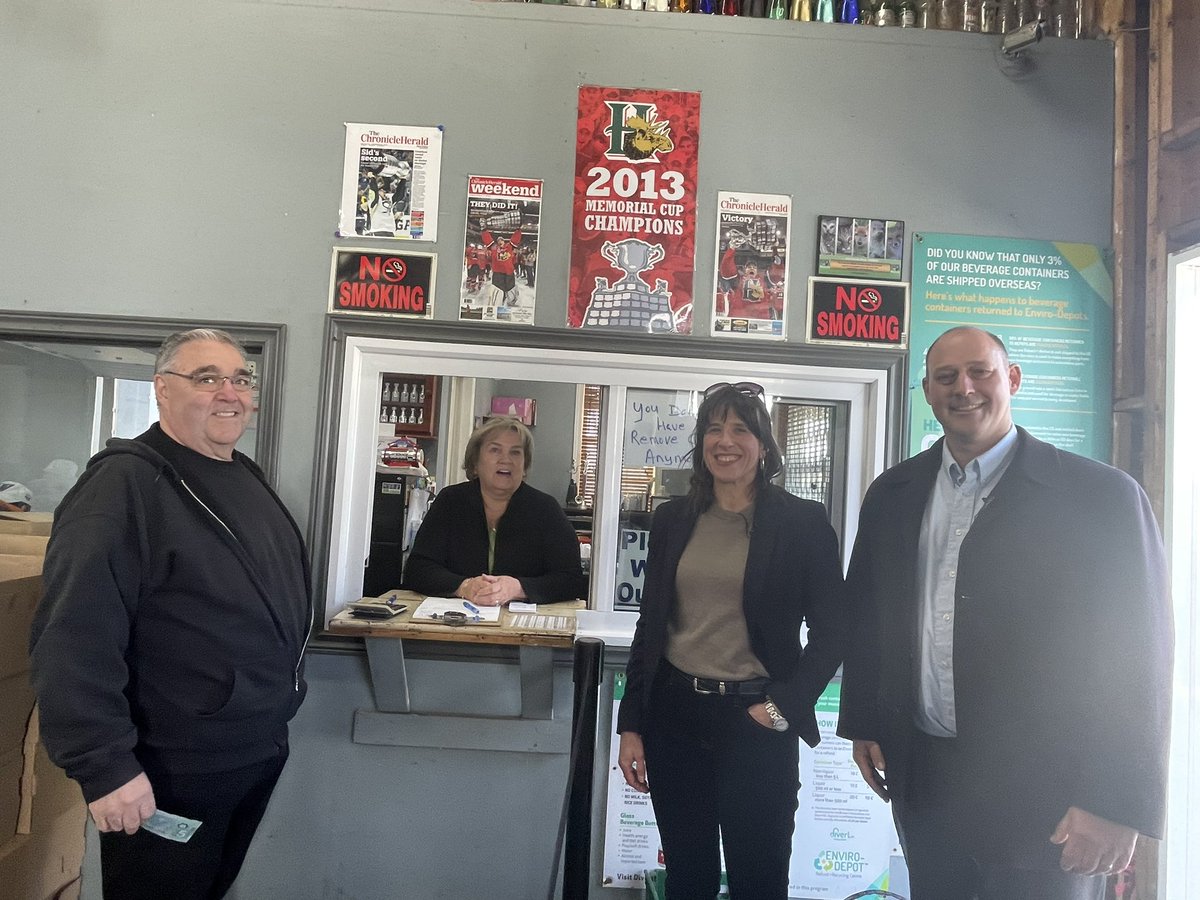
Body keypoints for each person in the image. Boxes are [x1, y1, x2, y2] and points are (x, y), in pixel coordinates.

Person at [837, 326, 1172, 900]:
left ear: (1012, 379)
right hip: (928, 782)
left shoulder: (1101, 497)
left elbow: (1141, 655)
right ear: (926, 391)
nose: (963, 388)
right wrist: (864, 720)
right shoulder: (894, 493)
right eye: (946, 377)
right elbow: (869, 615)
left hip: (1050, 798)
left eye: (979, 372)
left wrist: (1115, 802)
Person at [29, 328, 313, 900]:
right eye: (206, 378)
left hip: (249, 750)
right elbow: (73, 633)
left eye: (240, 379)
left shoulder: (244, 476)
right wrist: (106, 767)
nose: (228, 393)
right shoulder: (124, 484)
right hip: (170, 768)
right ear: (161, 390)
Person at [616, 382, 847, 899]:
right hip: (674, 720)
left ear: (764, 445)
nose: (726, 440)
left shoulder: (801, 523)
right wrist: (631, 723)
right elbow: (650, 628)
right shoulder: (673, 519)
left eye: (741, 429)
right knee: (688, 877)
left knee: (758, 882)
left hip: (756, 722)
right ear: (701, 443)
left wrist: (780, 707)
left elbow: (835, 632)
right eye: (714, 429)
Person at [404, 415, 583, 606]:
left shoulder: (546, 509)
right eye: (495, 450)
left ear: (524, 465)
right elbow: (417, 569)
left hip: (523, 629)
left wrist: (518, 588)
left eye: (516, 452)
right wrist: (464, 586)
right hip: (456, 625)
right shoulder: (451, 501)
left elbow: (571, 579)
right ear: (475, 462)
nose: (506, 459)